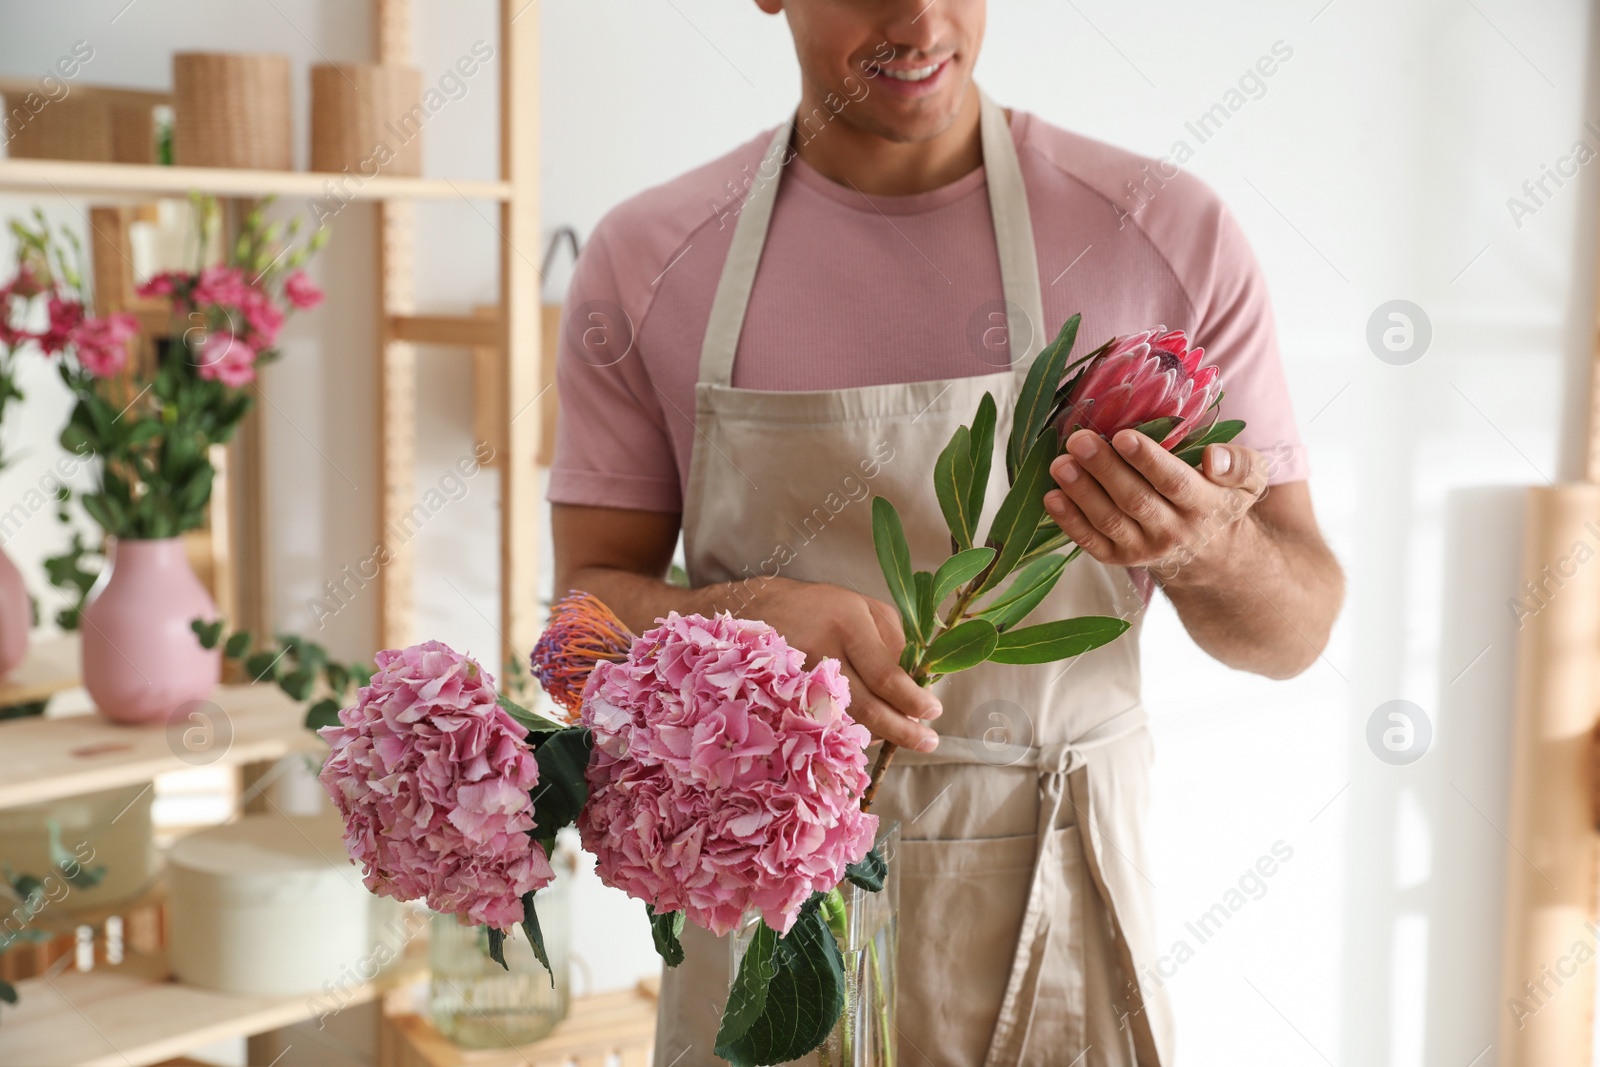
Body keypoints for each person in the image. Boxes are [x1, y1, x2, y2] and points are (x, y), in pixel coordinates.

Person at [547, 2, 1344, 1063]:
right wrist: (745, 622)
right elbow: (580, 618)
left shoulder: (1165, 232)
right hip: (767, 941)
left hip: (1055, 916)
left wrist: (1206, 549)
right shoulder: (648, 256)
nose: (920, 19)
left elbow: (1294, 632)